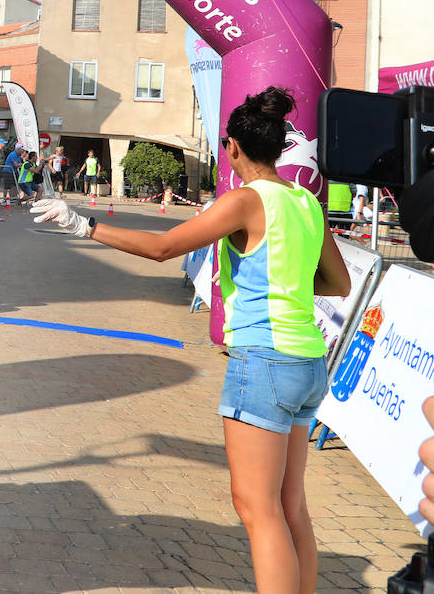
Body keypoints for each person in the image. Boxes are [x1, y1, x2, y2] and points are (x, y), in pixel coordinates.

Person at [32, 87, 349, 594]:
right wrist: (282, 280)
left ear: (232, 148)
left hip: (264, 363)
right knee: (291, 506)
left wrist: (83, 224)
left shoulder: (244, 200)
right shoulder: (306, 202)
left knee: (258, 510)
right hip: (308, 363)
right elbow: (338, 284)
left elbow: (162, 248)